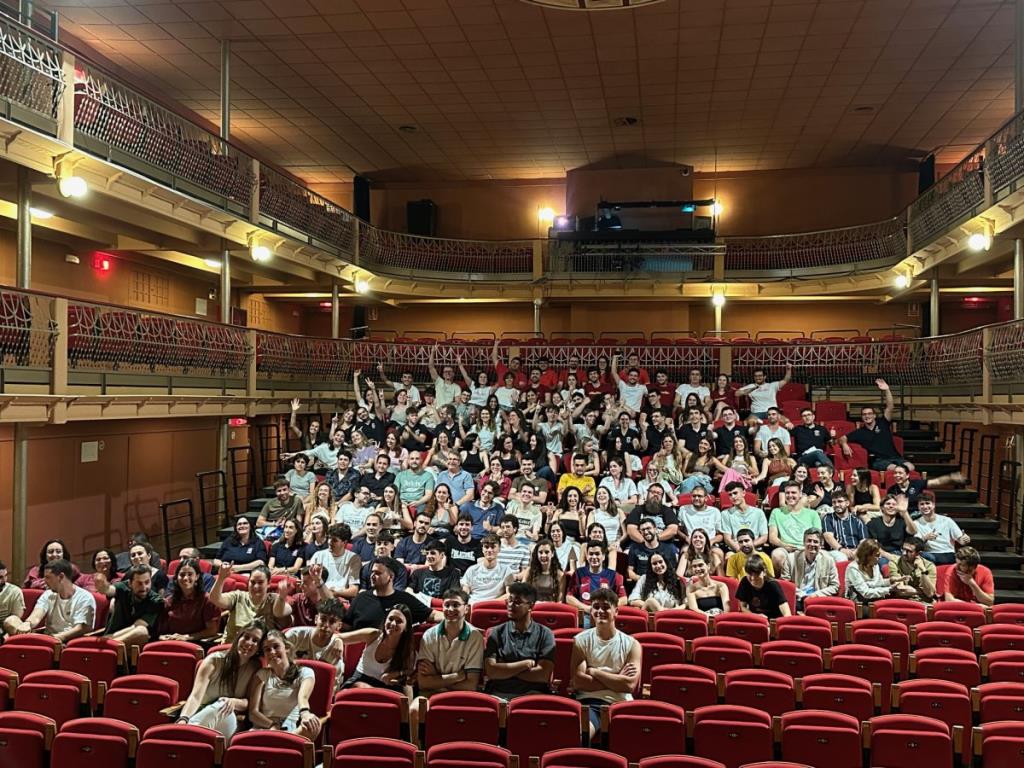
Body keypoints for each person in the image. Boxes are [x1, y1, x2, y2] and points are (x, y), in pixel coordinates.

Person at [571, 587, 642, 742]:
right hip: (589, 702)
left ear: (616, 611)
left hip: (621, 704)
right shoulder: (580, 640)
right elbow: (579, 682)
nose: (600, 611)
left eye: (605, 607)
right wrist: (617, 679)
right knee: (580, 737)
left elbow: (629, 685)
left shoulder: (632, 644)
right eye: (596, 607)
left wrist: (594, 672)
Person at [175, 620, 266, 741]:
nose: (249, 643)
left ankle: (182, 736)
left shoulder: (255, 667)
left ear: (259, 648)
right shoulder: (214, 661)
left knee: (222, 705)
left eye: (255, 641)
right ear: (239, 636)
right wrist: (183, 719)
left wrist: (234, 702)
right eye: (246, 637)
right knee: (219, 707)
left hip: (230, 720)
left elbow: (250, 702)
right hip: (200, 714)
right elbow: (196, 696)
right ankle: (186, 734)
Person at [483, 582, 556, 700]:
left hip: (533, 695)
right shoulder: (496, 632)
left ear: (531, 606)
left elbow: (543, 675)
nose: (511, 605)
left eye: (517, 602)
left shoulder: (545, 634)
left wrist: (504, 670)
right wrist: (525, 664)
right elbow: (491, 671)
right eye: (509, 601)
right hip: (498, 694)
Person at [249, 630, 321, 740]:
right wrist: (272, 725)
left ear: (286, 648)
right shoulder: (262, 675)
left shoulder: (305, 672)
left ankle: (282, 740)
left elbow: (303, 697)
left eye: (276, 646)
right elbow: (253, 713)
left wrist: (305, 713)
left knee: (313, 727)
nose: (272, 652)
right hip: (264, 727)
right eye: (267, 650)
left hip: (291, 730)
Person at [416, 588, 484, 697]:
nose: (450, 609)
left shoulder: (475, 637)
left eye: (456, 605)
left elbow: (470, 685)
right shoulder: (429, 635)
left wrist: (437, 679)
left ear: (466, 609)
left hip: (462, 695)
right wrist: (457, 677)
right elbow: (423, 683)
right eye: (447, 605)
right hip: (430, 694)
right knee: (414, 710)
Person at [7, 559, 95, 641]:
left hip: (69, 640)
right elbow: (36, 616)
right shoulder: (48, 594)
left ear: (61, 576)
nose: (44, 581)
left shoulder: (84, 597)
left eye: (48, 577)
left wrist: (57, 637)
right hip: (47, 637)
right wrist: (27, 624)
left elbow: (82, 628)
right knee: (10, 621)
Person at [344, 556, 440, 630]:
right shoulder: (361, 598)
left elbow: (433, 615)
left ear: (391, 577)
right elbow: (346, 625)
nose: (372, 576)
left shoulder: (405, 599)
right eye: (372, 572)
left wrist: (453, 617)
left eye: (378, 573)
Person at [839, 379, 914, 472]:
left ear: (874, 416)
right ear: (862, 417)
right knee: (897, 470)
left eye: (869, 413)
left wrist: (887, 390)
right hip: (879, 461)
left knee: (911, 467)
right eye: (864, 414)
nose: (867, 416)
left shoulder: (883, 423)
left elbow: (890, 407)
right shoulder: (859, 432)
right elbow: (842, 438)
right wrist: (844, 444)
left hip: (896, 458)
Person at [211, 564, 291, 642]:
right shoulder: (238, 596)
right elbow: (215, 599)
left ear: (269, 583)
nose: (256, 586)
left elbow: (279, 613)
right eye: (252, 582)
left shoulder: (274, 599)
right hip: (232, 647)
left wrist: (281, 597)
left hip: (260, 650)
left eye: (260, 582)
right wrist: (221, 578)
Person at [96, 563, 164, 647]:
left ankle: (106, 646)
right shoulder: (123, 587)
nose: (144, 587)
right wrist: (103, 586)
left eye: (147, 582)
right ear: (130, 583)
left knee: (141, 631)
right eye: (139, 583)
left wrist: (109, 640)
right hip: (114, 636)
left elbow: (136, 626)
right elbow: (109, 590)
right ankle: (107, 645)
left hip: (136, 642)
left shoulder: (156, 600)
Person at [157, 557, 221, 642]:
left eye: (190, 574)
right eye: (182, 575)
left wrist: (187, 637)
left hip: (197, 643)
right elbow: (161, 629)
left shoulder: (207, 600)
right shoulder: (169, 601)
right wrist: (161, 637)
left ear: (197, 576)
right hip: (172, 641)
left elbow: (212, 630)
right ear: (176, 578)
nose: (185, 578)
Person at [567, 541, 626, 624]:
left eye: (597, 554)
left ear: (603, 557)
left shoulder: (614, 575)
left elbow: (623, 599)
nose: (594, 557)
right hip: (586, 614)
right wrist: (586, 608)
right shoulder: (578, 573)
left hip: (607, 614)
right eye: (591, 554)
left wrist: (606, 607)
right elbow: (569, 597)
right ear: (587, 557)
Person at [768, 481, 822, 573]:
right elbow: (772, 538)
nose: (790, 495)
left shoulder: (812, 514)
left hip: (807, 548)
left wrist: (805, 548)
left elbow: (818, 536)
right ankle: (788, 583)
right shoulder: (776, 512)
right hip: (786, 549)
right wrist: (785, 546)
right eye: (787, 493)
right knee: (777, 555)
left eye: (793, 493)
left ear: (800, 494)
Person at [780, 529, 839, 609]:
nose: (812, 544)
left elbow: (835, 586)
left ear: (821, 545)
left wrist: (816, 595)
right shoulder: (791, 559)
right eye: (809, 541)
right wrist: (803, 595)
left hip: (819, 599)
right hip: (798, 598)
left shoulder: (829, 560)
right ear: (804, 543)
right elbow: (785, 583)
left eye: (815, 542)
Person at [913, 491, 970, 564]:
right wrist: (925, 538)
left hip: (947, 553)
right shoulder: (915, 523)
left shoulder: (947, 521)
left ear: (933, 505)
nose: (925, 506)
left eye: (927, 503)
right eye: (922, 504)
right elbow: (916, 545)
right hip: (929, 554)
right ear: (918, 507)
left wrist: (965, 539)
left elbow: (961, 541)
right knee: (922, 557)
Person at [845, 538, 907, 604]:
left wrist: (891, 580)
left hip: (876, 600)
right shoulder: (853, 568)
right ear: (867, 555)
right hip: (860, 604)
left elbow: (877, 583)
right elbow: (865, 592)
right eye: (877, 555)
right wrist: (889, 589)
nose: (880, 557)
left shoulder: (875, 565)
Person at [309, 523, 360, 598]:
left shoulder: (354, 559)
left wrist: (335, 593)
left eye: (334, 540)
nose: (329, 542)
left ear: (344, 543)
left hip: (339, 598)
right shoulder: (318, 555)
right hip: (318, 594)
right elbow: (309, 582)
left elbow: (354, 591)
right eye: (329, 538)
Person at [887, 466, 965, 516]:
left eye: (900, 473)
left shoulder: (916, 484)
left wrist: (950, 477)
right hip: (902, 517)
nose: (897, 475)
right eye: (895, 473)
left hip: (919, 515)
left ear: (907, 475)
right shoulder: (892, 490)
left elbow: (937, 482)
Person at [462, 534, 516, 605]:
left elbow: (509, 594)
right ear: (482, 549)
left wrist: (489, 604)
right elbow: (465, 593)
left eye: (493, 547)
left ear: (499, 549)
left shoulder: (506, 570)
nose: (489, 550)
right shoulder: (472, 570)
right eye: (486, 547)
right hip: (474, 605)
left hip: (494, 606)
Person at [866, 494, 918, 562]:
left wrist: (904, 512)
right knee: (883, 563)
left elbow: (913, 531)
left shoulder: (902, 522)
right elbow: (873, 545)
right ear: (882, 508)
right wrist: (888, 556)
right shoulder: (873, 523)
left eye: (894, 504)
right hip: (881, 554)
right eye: (888, 504)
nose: (891, 506)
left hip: (900, 552)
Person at [721, 482, 769, 553]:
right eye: (730, 495)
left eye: (735, 493)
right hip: (735, 549)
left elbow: (764, 537)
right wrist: (740, 550)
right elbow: (727, 538)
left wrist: (748, 547)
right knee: (729, 557)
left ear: (743, 493)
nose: (733, 497)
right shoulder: (725, 514)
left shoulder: (758, 513)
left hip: (755, 548)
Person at [627, 518, 678, 582]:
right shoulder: (634, 548)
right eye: (643, 530)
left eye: (648, 528)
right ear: (640, 532)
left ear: (655, 529)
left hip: (664, 582)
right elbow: (630, 571)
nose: (646, 532)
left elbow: (673, 570)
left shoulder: (669, 548)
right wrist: (641, 580)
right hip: (642, 582)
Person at [821, 491, 867, 562]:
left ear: (847, 503)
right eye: (834, 502)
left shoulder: (857, 521)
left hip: (856, 551)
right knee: (841, 557)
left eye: (840, 501)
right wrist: (841, 549)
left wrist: (856, 552)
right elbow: (828, 537)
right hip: (836, 551)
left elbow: (863, 541)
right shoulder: (828, 518)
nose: (836, 504)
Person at [518, 538, 565, 603]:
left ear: (552, 554)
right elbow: (522, 593)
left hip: (551, 609)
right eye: (540, 552)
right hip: (533, 608)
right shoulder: (530, 571)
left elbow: (560, 601)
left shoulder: (560, 575)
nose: (543, 555)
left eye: (547, 552)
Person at [895, 537, 937, 602]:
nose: (904, 553)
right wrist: (921, 591)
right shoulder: (895, 563)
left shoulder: (929, 566)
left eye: (909, 551)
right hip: (903, 601)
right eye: (903, 549)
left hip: (924, 602)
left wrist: (923, 570)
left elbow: (930, 593)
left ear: (918, 553)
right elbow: (900, 590)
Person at [0, 560, 25, 637]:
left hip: (6, 630)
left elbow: (14, 621)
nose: (2, 581)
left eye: (5, 576)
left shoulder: (14, 591)